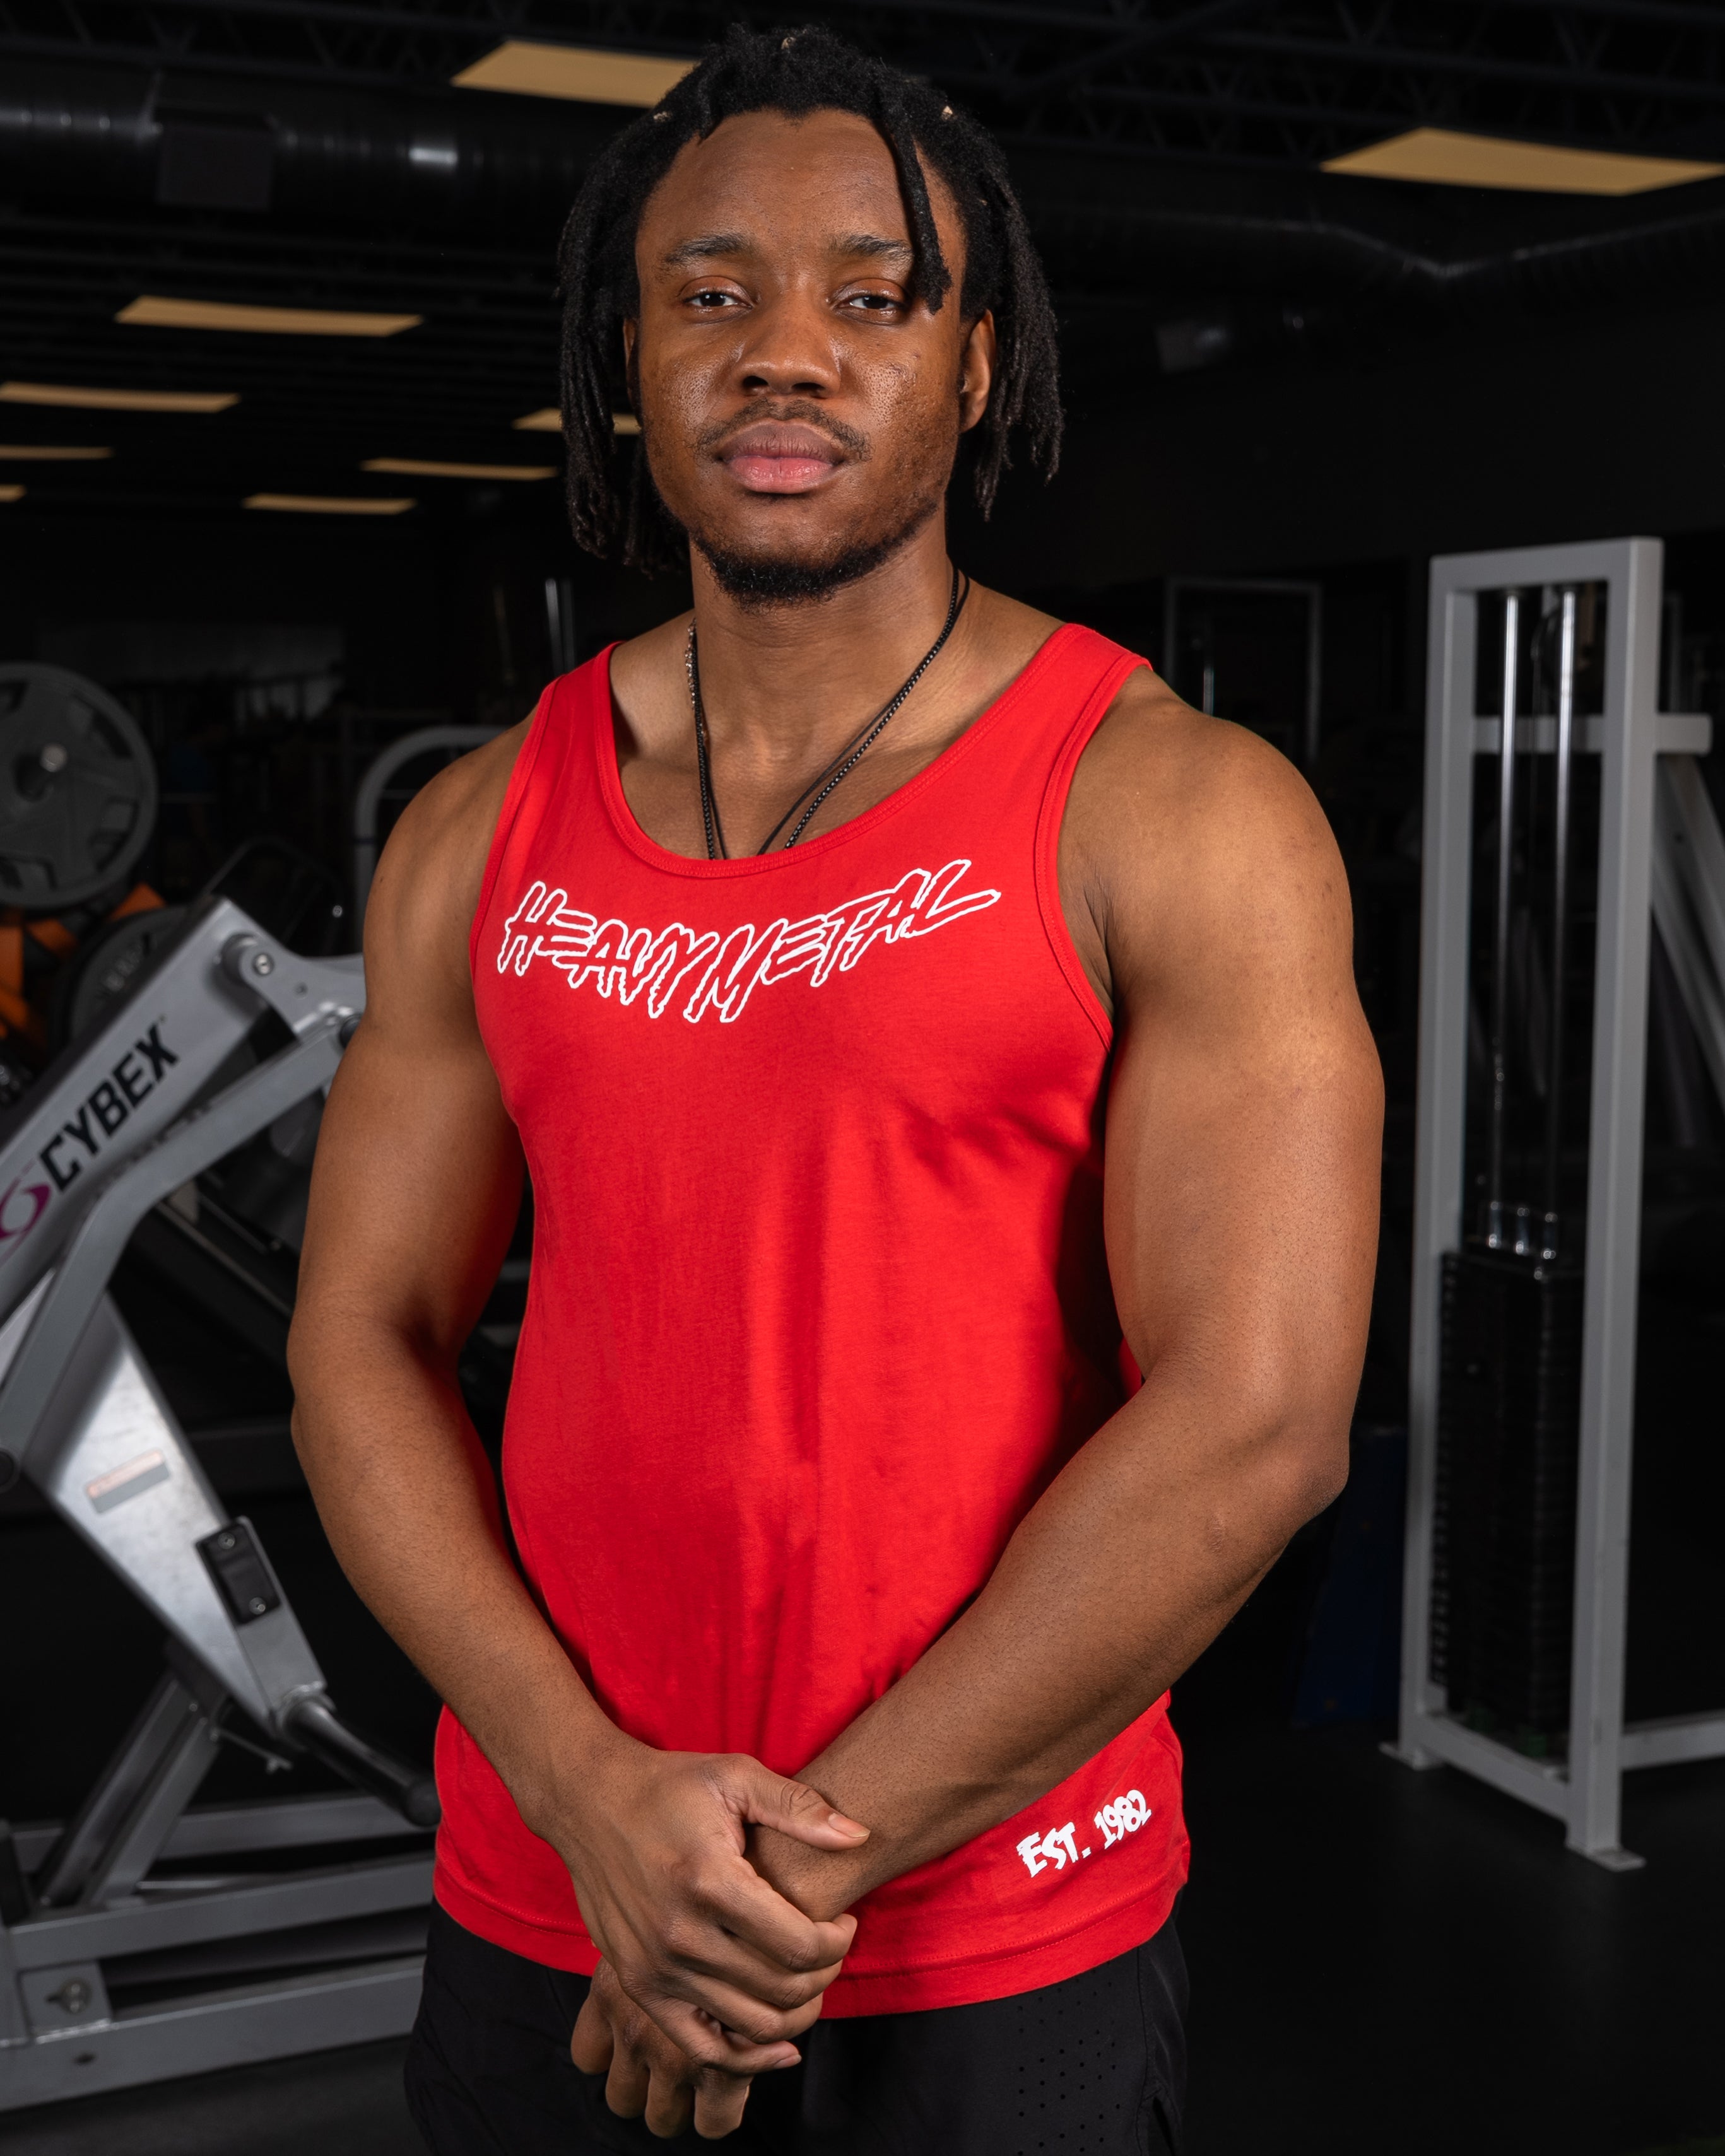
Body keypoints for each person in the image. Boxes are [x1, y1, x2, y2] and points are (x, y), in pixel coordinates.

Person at [288, 24, 1382, 2155]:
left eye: (872, 297)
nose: (784, 351)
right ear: (630, 360)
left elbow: (1254, 1420)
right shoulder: (482, 827)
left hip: (983, 1941)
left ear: (976, 365)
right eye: (711, 293)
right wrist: (594, 1805)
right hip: (555, 1900)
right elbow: (357, 1340)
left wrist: (759, 1894)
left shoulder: (1173, 810)